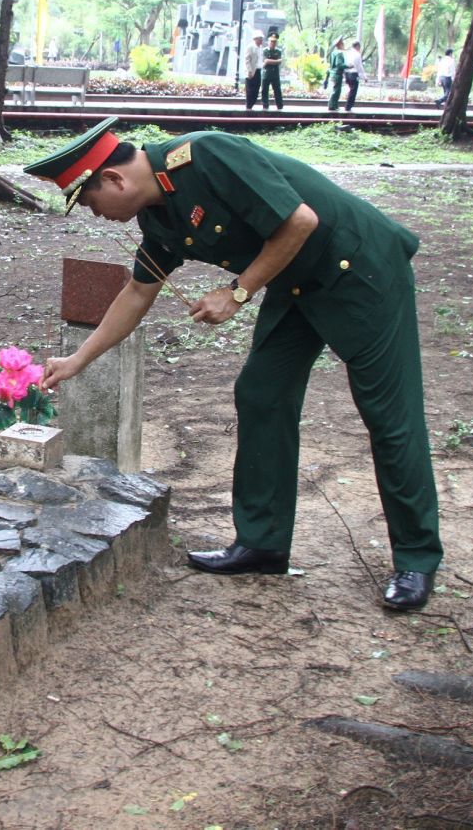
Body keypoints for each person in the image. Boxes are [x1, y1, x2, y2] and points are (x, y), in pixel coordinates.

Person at [23, 118, 444, 610]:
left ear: (115, 179)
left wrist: (237, 292)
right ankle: (262, 543)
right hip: (296, 284)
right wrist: (77, 360)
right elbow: (138, 293)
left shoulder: (208, 155)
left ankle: (416, 559)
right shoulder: (158, 217)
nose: (96, 216)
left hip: (361, 269)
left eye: (91, 203)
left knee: (389, 416)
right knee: (262, 393)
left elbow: (300, 222)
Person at [260, 31, 284, 110]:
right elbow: (264, 61)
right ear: (268, 41)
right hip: (266, 74)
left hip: (275, 74)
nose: (273, 43)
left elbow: (279, 61)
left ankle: (279, 106)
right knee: (264, 91)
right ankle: (265, 106)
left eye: (274, 42)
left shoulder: (278, 51)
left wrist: (269, 61)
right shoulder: (264, 51)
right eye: (271, 41)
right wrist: (274, 61)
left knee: (277, 91)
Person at [243, 30, 264, 111]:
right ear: (255, 39)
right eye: (260, 39)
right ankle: (249, 107)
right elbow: (247, 60)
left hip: (258, 70)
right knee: (250, 89)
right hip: (251, 71)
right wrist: (249, 70)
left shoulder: (260, 48)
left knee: (257, 88)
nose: (261, 41)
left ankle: (251, 105)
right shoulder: (250, 47)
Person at [325, 37, 347, 112]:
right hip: (337, 74)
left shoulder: (333, 52)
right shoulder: (339, 53)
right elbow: (339, 64)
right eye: (342, 43)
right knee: (336, 90)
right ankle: (331, 105)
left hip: (333, 73)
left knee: (335, 90)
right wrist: (348, 65)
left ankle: (334, 105)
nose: (343, 44)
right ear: (340, 44)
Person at [341, 39, 363, 112]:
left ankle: (348, 105)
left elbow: (344, 63)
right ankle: (348, 106)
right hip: (354, 74)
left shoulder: (347, 53)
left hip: (347, 74)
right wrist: (364, 76)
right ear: (357, 46)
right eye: (359, 47)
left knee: (350, 89)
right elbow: (359, 66)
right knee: (353, 91)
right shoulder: (357, 54)